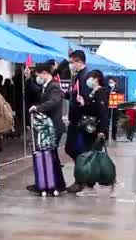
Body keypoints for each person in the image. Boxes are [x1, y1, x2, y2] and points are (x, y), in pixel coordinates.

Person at [27, 62, 68, 193]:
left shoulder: (54, 86)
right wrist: (29, 79)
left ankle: (52, 184)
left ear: (44, 73)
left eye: (38, 75)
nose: (37, 78)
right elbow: (34, 91)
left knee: (50, 155)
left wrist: (38, 108)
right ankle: (52, 183)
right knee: (51, 155)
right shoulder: (45, 87)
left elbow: (54, 101)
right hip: (47, 127)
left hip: (53, 126)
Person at [74, 70, 110, 197]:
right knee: (92, 157)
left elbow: (103, 113)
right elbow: (90, 109)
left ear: (96, 79)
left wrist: (102, 131)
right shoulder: (93, 92)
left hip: (96, 130)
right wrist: (83, 103)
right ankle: (99, 184)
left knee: (92, 158)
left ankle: (91, 186)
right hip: (89, 129)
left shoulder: (101, 92)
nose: (88, 81)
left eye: (91, 78)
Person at [64, 50, 93, 192]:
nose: (70, 65)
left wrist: (83, 103)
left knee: (78, 150)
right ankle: (82, 179)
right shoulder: (77, 76)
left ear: (79, 62)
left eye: (71, 62)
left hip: (81, 121)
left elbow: (86, 98)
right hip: (75, 119)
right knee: (72, 149)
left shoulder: (86, 77)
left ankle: (82, 181)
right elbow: (75, 95)